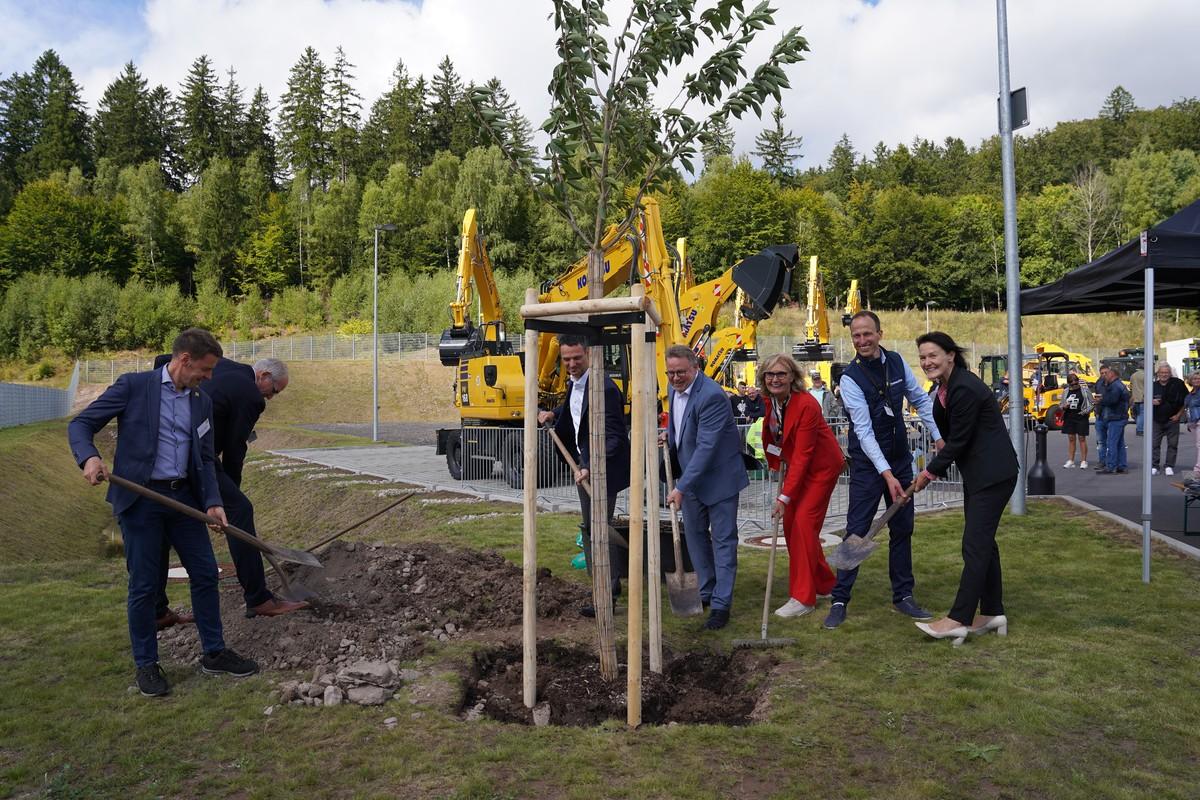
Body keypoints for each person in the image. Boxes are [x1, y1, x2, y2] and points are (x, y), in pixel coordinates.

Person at [67, 328, 258, 697]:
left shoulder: (201, 400)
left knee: (205, 573)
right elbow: (81, 424)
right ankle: (147, 664)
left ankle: (214, 653)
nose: (209, 377)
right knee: (144, 585)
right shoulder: (134, 386)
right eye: (205, 369)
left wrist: (213, 501)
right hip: (141, 501)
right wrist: (89, 457)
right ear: (184, 360)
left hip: (183, 501)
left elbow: (205, 458)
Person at [151, 354, 306, 622]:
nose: (271, 398)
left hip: (164, 451)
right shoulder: (251, 396)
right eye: (274, 391)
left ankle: (157, 610)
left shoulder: (221, 366)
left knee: (163, 520)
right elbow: (235, 449)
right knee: (240, 510)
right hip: (195, 457)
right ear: (264, 376)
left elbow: (162, 360)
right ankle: (259, 599)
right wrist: (229, 493)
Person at [823, 311, 944, 630]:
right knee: (857, 529)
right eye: (856, 336)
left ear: (880, 333)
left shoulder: (897, 362)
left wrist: (938, 436)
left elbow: (921, 401)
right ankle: (840, 599)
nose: (862, 340)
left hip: (900, 458)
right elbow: (863, 432)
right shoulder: (849, 378)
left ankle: (903, 595)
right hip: (867, 465)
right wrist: (886, 475)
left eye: (867, 334)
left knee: (903, 528)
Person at [910, 332, 1019, 645]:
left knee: (974, 545)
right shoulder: (946, 388)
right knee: (984, 544)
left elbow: (959, 440)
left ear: (950, 355)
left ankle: (958, 618)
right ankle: (992, 612)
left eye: (933, 355)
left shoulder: (964, 388)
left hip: (993, 475)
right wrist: (938, 454)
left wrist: (929, 472)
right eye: (923, 357)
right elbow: (952, 437)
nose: (927, 362)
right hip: (979, 475)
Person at [537, 335, 630, 618]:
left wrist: (592, 465)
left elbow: (614, 437)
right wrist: (553, 414)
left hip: (602, 469)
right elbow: (574, 410)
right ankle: (605, 587)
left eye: (577, 358)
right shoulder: (574, 383)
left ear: (588, 354)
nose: (572, 364)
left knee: (599, 530)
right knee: (591, 529)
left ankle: (607, 594)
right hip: (584, 465)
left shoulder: (605, 388)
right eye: (566, 359)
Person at [663, 344, 749, 630]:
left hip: (719, 479)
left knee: (723, 541)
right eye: (671, 373)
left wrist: (680, 487)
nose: (675, 378)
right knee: (695, 537)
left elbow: (706, 447)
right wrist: (669, 436)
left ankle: (721, 605)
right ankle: (706, 590)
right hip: (691, 481)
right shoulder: (672, 389)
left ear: (695, 367)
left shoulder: (711, 396)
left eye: (681, 372)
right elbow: (682, 427)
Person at [759, 354, 841, 617]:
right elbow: (777, 435)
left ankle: (803, 597)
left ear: (792, 377)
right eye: (770, 374)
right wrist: (777, 458)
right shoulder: (772, 401)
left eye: (781, 374)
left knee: (804, 525)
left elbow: (804, 454)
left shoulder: (806, 404)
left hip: (820, 469)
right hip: (795, 466)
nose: (775, 379)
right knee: (791, 526)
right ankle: (825, 584)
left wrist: (784, 497)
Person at [1149, 363, 1188, 476]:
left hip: (1173, 419)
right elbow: (1144, 399)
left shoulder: (1178, 383)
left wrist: (1179, 415)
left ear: (1170, 373)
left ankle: (1169, 466)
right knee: (1154, 444)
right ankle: (1154, 466)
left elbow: (1186, 400)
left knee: (1172, 444)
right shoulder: (1153, 385)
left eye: (1166, 372)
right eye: (1162, 372)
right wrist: (1151, 401)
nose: (1164, 375)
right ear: (1158, 373)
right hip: (1156, 419)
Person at [1094, 365, 1130, 475]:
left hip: (1116, 417)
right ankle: (1122, 466)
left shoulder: (1115, 386)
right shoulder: (1118, 385)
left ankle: (1111, 466)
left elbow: (1112, 400)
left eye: (1107, 373)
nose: (1105, 376)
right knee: (1119, 443)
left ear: (1112, 374)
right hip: (1119, 416)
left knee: (1112, 442)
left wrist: (1100, 400)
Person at [1059, 372, 1091, 469]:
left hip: (1081, 416)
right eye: (1072, 384)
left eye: (1076, 383)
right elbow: (1060, 404)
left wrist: (1085, 411)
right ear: (1069, 383)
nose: (1074, 385)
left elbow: (1092, 403)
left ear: (1078, 381)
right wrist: (1063, 406)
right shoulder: (1066, 391)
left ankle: (1084, 461)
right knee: (1071, 438)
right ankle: (1071, 460)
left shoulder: (1084, 390)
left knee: (1082, 438)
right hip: (1069, 417)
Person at [1184, 372, 1200, 479]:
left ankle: (1197, 470)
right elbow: (1188, 409)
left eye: (1199, 378)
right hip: (1193, 423)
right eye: (1194, 378)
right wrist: (1189, 422)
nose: (1197, 380)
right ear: (1190, 381)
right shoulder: (1190, 394)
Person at [1129, 364, 1145, 437]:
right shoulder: (1145, 375)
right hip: (1142, 398)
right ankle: (1140, 429)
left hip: (1135, 398)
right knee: (1142, 414)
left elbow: (1131, 387)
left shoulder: (1133, 375)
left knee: (1138, 414)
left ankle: (1139, 427)